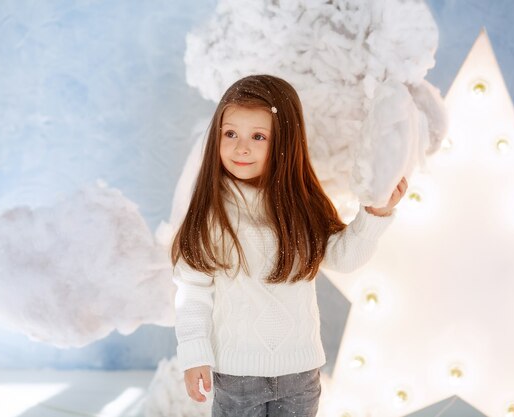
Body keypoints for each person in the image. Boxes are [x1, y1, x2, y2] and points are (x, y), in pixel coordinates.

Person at [170, 74, 407, 417]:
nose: (241, 147)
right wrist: (194, 355)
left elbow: (343, 257)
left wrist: (375, 214)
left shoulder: (301, 207)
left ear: (284, 141)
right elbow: (192, 291)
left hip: (299, 374)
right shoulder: (211, 213)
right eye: (231, 133)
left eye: (259, 136)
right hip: (236, 375)